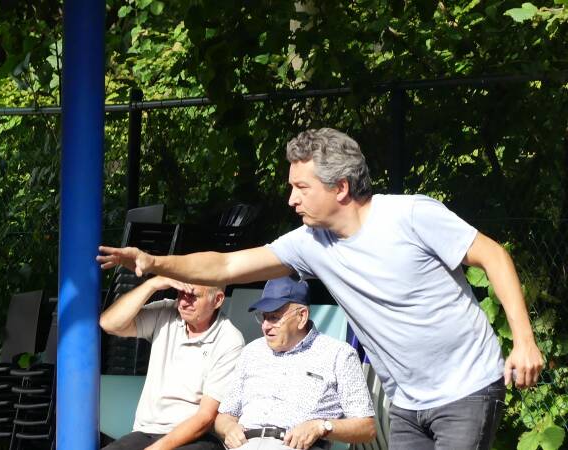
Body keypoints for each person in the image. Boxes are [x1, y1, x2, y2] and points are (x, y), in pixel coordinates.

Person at [97, 128, 543, 450]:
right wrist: (156, 262)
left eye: (301, 187)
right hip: (407, 401)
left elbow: (494, 256)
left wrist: (523, 342)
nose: (291, 199)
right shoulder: (310, 243)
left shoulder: (410, 216)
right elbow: (228, 265)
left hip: (466, 386)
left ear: (341, 188)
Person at [214, 276, 376, 450]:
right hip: (245, 444)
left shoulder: (338, 354)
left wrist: (321, 426)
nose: (265, 326)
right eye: (263, 317)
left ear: (301, 316)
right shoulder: (251, 351)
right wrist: (229, 428)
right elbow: (224, 416)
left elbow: (367, 428)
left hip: (295, 445)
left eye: (274, 317)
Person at [99, 275, 245, 450]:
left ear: (217, 300)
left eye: (193, 296)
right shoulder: (166, 312)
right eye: (181, 293)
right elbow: (109, 324)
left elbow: (206, 418)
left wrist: (157, 449)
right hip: (146, 432)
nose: (183, 302)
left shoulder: (229, 340)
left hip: (197, 438)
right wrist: (152, 284)